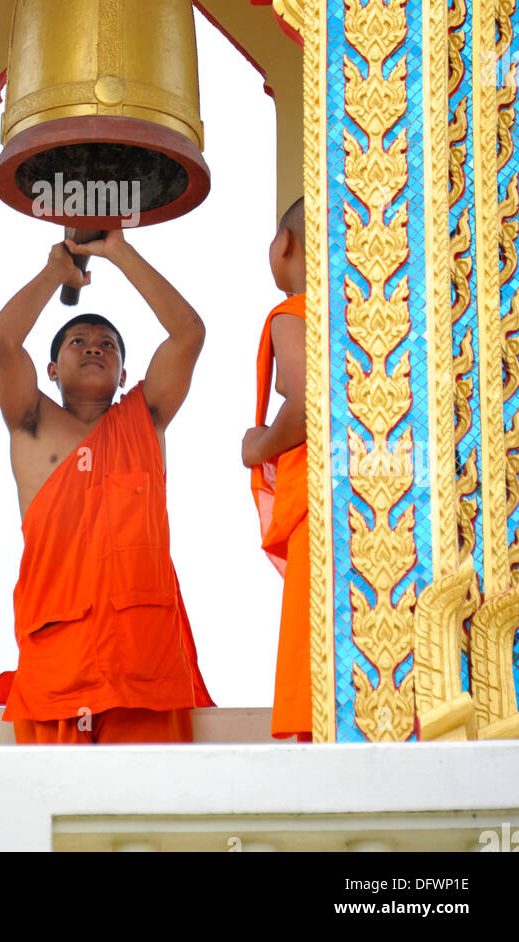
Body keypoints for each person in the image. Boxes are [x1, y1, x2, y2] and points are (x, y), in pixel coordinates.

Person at [0, 228, 213, 744]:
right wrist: (55, 274)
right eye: (78, 343)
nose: (94, 348)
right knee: (58, 812)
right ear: (51, 368)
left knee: (147, 815)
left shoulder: (145, 418)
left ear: (124, 370)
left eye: (107, 344)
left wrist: (116, 251)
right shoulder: (31, 421)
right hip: (58, 660)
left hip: (144, 660)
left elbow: (188, 334)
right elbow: (2, 342)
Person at [241, 196, 311, 742]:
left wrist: (261, 445)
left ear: (283, 244)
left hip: (323, 507)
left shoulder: (292, 313)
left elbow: (307, 398)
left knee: (318, 637)